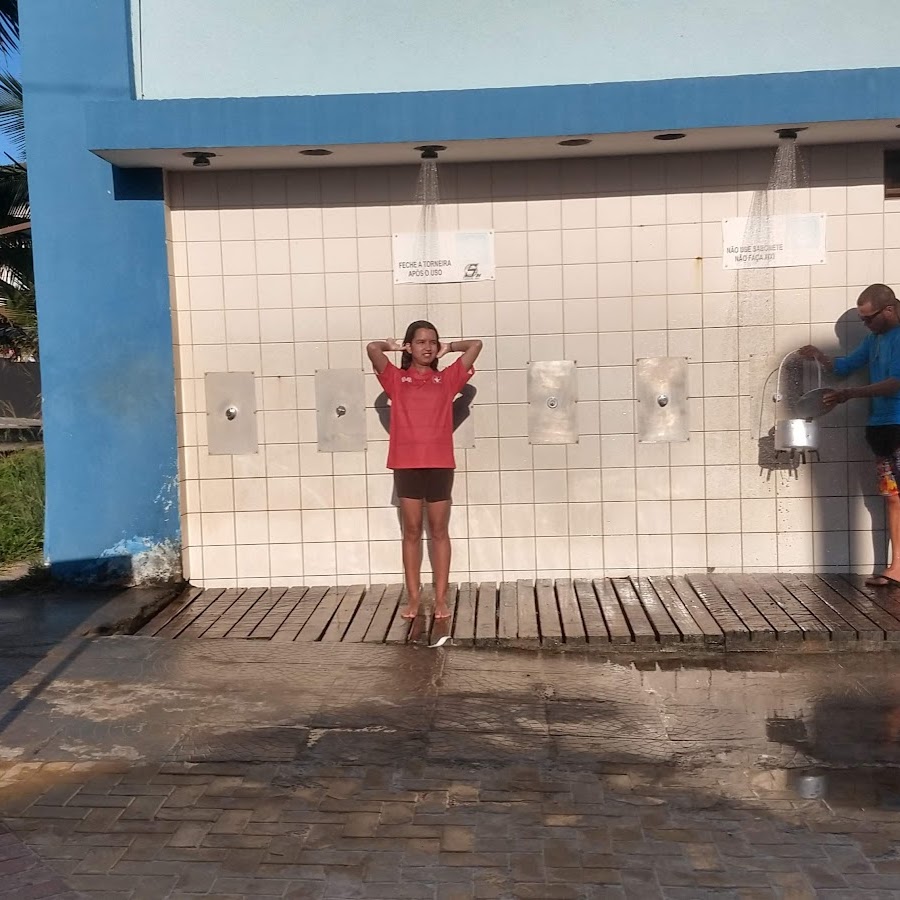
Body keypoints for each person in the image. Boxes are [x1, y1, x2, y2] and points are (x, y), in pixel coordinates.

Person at [367, 321, 483, 618]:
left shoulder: (447, 380)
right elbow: (371, 349)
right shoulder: (395, 380)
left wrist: (450, 348)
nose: (428, 347)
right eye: (420, 342)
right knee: (412, 532)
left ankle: (441, 598)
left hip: (439, 464)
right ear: (410, 346)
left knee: (439, 531)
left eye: (432, 342)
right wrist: (392, 347)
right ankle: (415, 599)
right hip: (406, 465)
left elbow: (476, 345)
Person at [799, 283, 900, 587]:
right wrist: (818, 356)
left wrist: (850, 394)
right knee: (892, 498)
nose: (866, 325)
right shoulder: (874, 340)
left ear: (890, 309)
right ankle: (897, 567)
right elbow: (844, 367)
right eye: (863, 320)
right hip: (881, 426)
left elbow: (897, 382)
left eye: (870, 318)